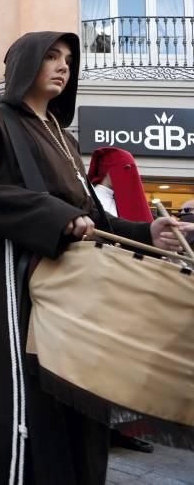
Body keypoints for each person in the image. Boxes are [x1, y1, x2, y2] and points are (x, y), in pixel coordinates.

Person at [0, 31, 192, 484]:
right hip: (19, 280)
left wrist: (147, 231)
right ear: (25, 64)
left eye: (68, 59)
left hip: (74, 291)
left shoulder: (64, 137)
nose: (64, 66)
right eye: (51, 57)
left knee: (77, 397)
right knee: (25, 402)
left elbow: (95, 217)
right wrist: (56, 217)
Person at [87, 146, 156, 454]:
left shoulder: (114, 200)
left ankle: (127, 425)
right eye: (126, 169)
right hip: (104, 291)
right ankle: (111, 426)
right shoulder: (95, 201)